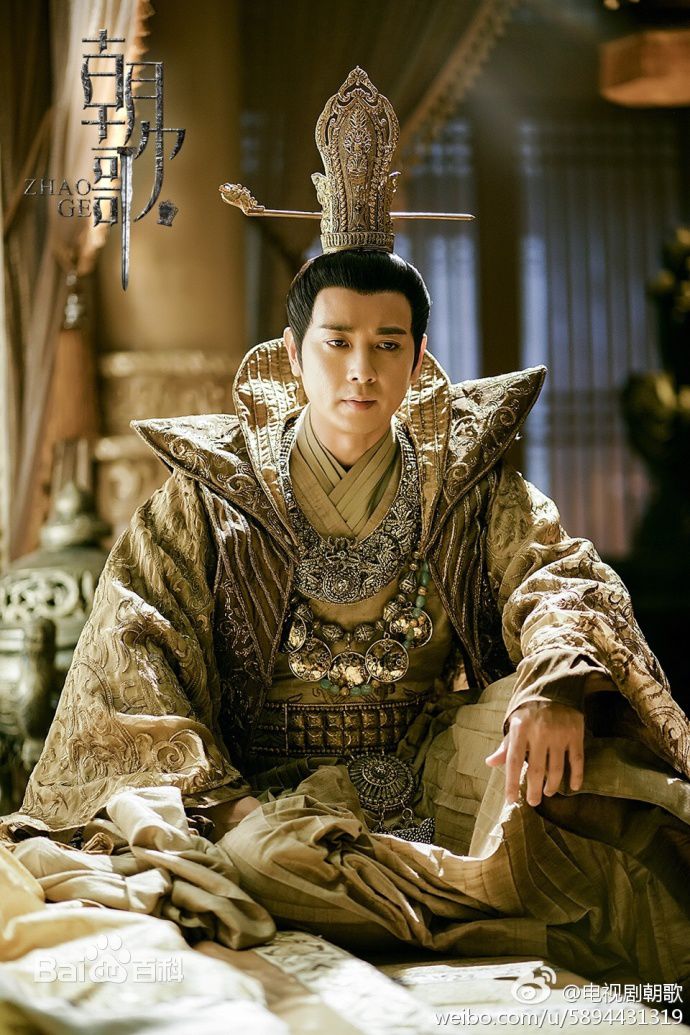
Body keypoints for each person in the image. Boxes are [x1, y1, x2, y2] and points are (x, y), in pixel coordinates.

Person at [3, 68, 689, 998]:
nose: (361, 369)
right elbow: (134, 656)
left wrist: (555, 687)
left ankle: (414, 888)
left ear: (418, 359)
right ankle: (472, 899)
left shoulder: (463, 478)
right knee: (255, 853)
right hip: (266, 801)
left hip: (430, 772)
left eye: (387, 343)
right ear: (294, 354)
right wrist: (229, 808)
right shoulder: (212, 494)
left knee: (591, 765)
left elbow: (557, 573)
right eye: (337, 341)